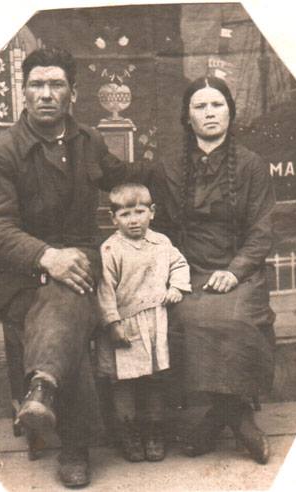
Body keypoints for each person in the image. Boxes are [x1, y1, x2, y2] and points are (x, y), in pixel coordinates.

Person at [0, 47, 150, 488]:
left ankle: (42, 390)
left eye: (56, 84)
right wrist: (47, 257)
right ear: (23, 92)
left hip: (77, 265)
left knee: (69, 292)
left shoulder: (87, 140)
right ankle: (73, 444)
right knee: (67, 301)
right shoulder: (0, 153)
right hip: (18, 279)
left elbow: (120, 175)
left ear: (73, 92)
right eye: (36, 84)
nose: (46, 94)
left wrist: (169, 171)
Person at [150, 76, 276, 465]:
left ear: (230, 113)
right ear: (187, 117)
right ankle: (237, 417)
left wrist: (235, 271)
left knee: (235, 318)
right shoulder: (169, 167)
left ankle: (215, 419)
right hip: (188, 270)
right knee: (186, 317)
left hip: (240, 271)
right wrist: (174, 274)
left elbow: (262, 231)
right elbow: (160, 230)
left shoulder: (252, 165)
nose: (209, 113)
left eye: (217, 104)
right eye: (200, 106)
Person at [96, 183, 191, 463]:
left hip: (154, 322)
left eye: (139, 212)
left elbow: (179, 264)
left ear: (152, 212)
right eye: (125, 214)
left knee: (154, 379)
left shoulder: (162, 243)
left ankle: (153, 431)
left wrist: (177, 286)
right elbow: (104, 290)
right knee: (123, 382)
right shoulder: (110, 249)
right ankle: (128, 433)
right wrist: (112, 323)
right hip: (124, 324)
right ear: (113, 218)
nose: (134, 220)